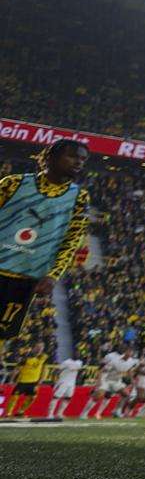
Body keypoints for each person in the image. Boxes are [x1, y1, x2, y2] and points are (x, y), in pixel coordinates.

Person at [0, 140, 91, 345]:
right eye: (72, 156)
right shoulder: (13, 183)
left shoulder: (79, 198)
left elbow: (72, 240)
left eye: (83, 159)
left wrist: (53, 276)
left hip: (25, 278)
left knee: (2, 336)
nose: (78, 162)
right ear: (50, 156)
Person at [80, 347, 138, 419]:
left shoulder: (131, 361)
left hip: (116, 381)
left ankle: (117, 411)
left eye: (131, 352)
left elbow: (129, 370)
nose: (129, 354)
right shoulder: (115, 360)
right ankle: (84, 413)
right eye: (128, 352)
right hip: (106, 379)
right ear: (125, 352)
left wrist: (132, 380)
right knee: (99, 395)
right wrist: (99, 380)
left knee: (125, 394)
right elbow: (101, 369)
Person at [5, 343, 48, 418]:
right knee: (14, 397)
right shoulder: (26, 357)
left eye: (41, 347)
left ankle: (20, 412)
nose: (40, 349)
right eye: (38, 347)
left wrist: (42, 379)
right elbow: (17, 369)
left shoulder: (44, 357)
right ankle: (8, 413)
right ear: (34, 347)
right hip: (22, 381)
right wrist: (11, 380)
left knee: (32, 398)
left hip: (34, 382)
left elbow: (44, 368)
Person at [46, 352, 83, 419]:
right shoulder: (66, 362)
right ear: (72, 355)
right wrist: (53, 380)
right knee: (56, 397)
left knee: (68, 398)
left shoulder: (79, 362)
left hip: (72, 383)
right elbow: (56, 371)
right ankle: (50, 414)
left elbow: (77, 372)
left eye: (78, 354)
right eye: (76, 354)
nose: (77, 355)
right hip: (63, 382)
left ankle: (59, 414)